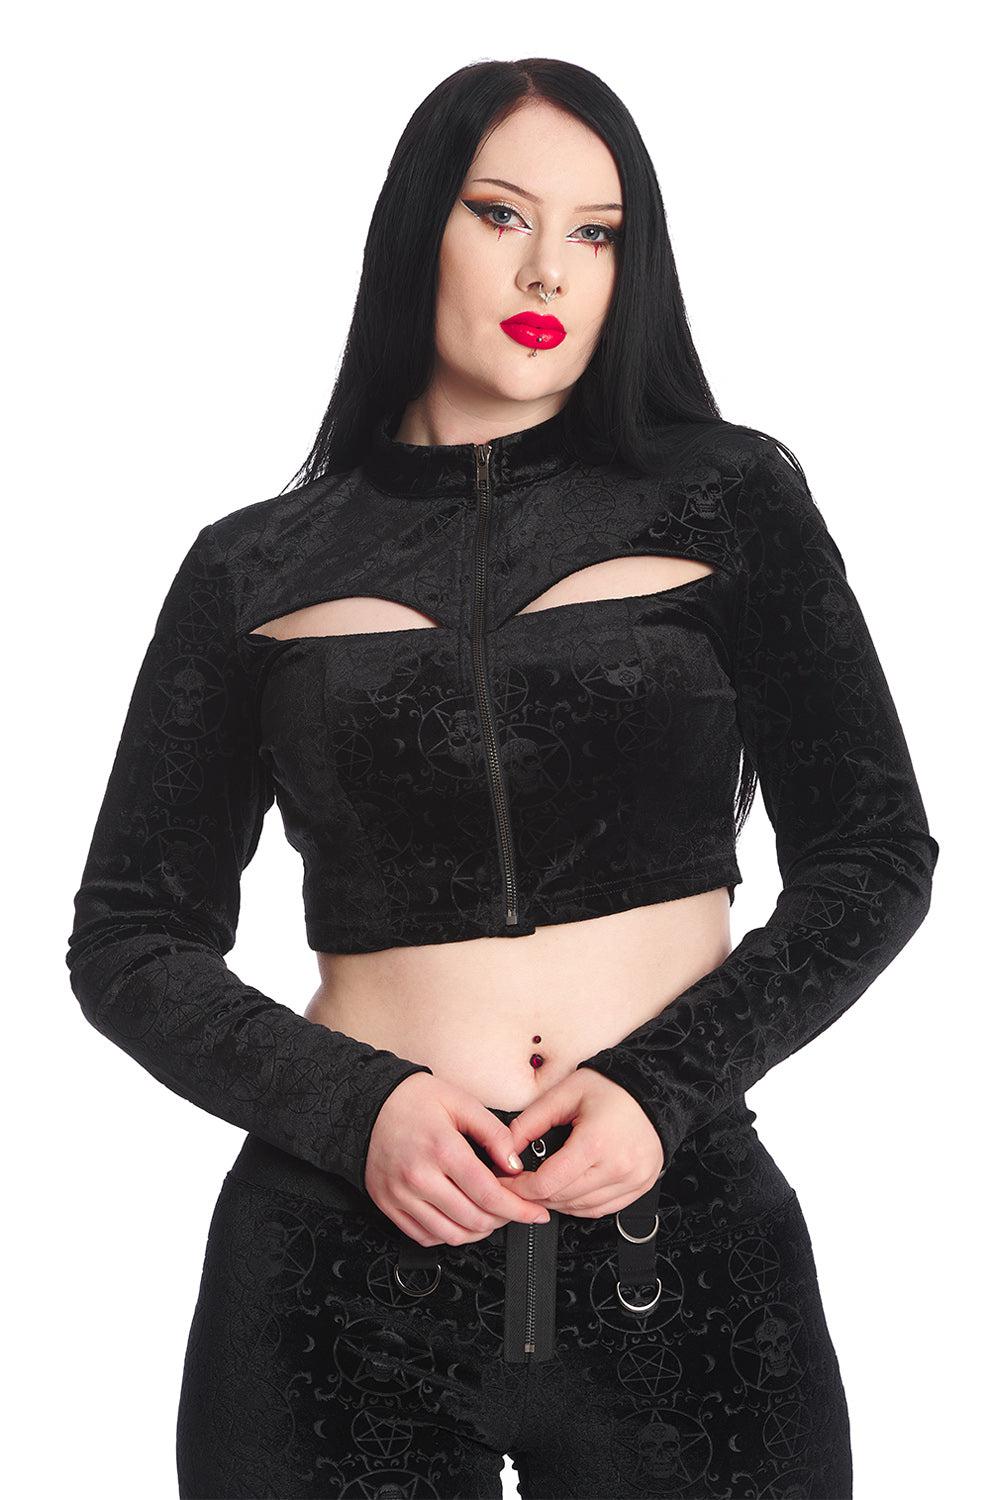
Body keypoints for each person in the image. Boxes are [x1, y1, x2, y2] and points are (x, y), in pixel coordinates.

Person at [66, 57, 937, 1500]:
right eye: (502, 214)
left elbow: (874, 855)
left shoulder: (730, 500)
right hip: (337, 1280)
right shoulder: (251, 567)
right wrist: (358, 1111)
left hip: (686, 1260)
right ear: (420, 227)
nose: (551, 270)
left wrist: (663, 1087)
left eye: (598, 232)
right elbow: (130, 936)